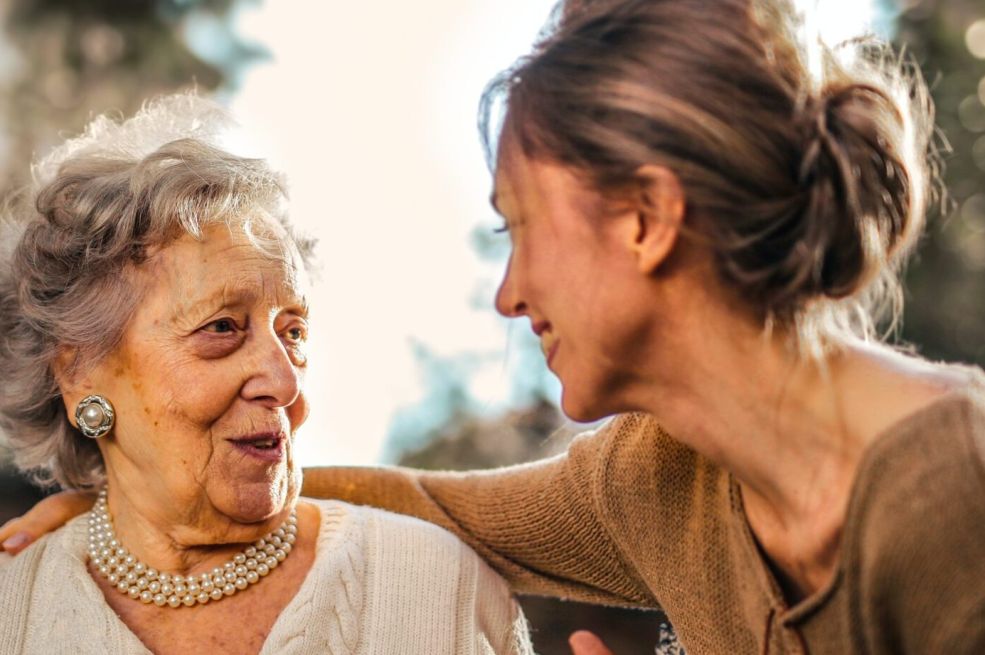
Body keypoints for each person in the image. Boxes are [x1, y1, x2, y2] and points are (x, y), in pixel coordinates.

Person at [7, 0, 985, 653]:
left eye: (520, 228)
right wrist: (129, 490)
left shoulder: (952, 489)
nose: (507, 294)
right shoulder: (654, 477)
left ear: (645, 220)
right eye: (221, 330)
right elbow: (440, 503)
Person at [0, 94, 533, 655]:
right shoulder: (13, 608)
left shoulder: (438, 590)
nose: (286, 385)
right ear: (78, 370)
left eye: (294, 332)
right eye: (223, 327)